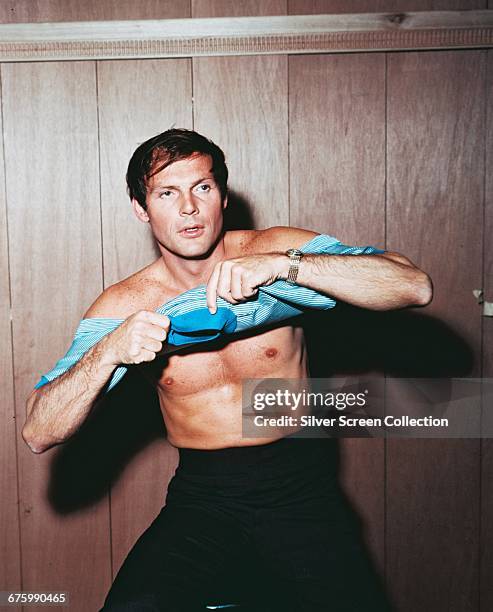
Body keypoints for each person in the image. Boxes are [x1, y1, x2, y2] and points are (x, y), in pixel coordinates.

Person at [22, 129, 432, 611]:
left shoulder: (275, 248)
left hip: (302, 491)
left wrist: (284, 267)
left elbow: (412, 285)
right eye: (167, 193)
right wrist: (108, 350)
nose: (189, 208)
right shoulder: (125, 304)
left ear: (223, 194)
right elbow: (38, 430)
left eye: (202, 187)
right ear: (141, 207)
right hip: (204, 499)